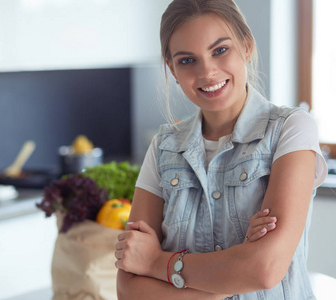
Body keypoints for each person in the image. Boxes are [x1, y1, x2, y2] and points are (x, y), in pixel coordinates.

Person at [114, 0, 328, 299]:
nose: (207, 72)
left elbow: (264, 269)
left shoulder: (291, 128)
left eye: (220, 50)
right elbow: (128, 287)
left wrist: (155, 262)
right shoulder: (163, 147)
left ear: (247, 46)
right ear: (172, 69)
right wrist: (229, 276)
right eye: (187, 60)